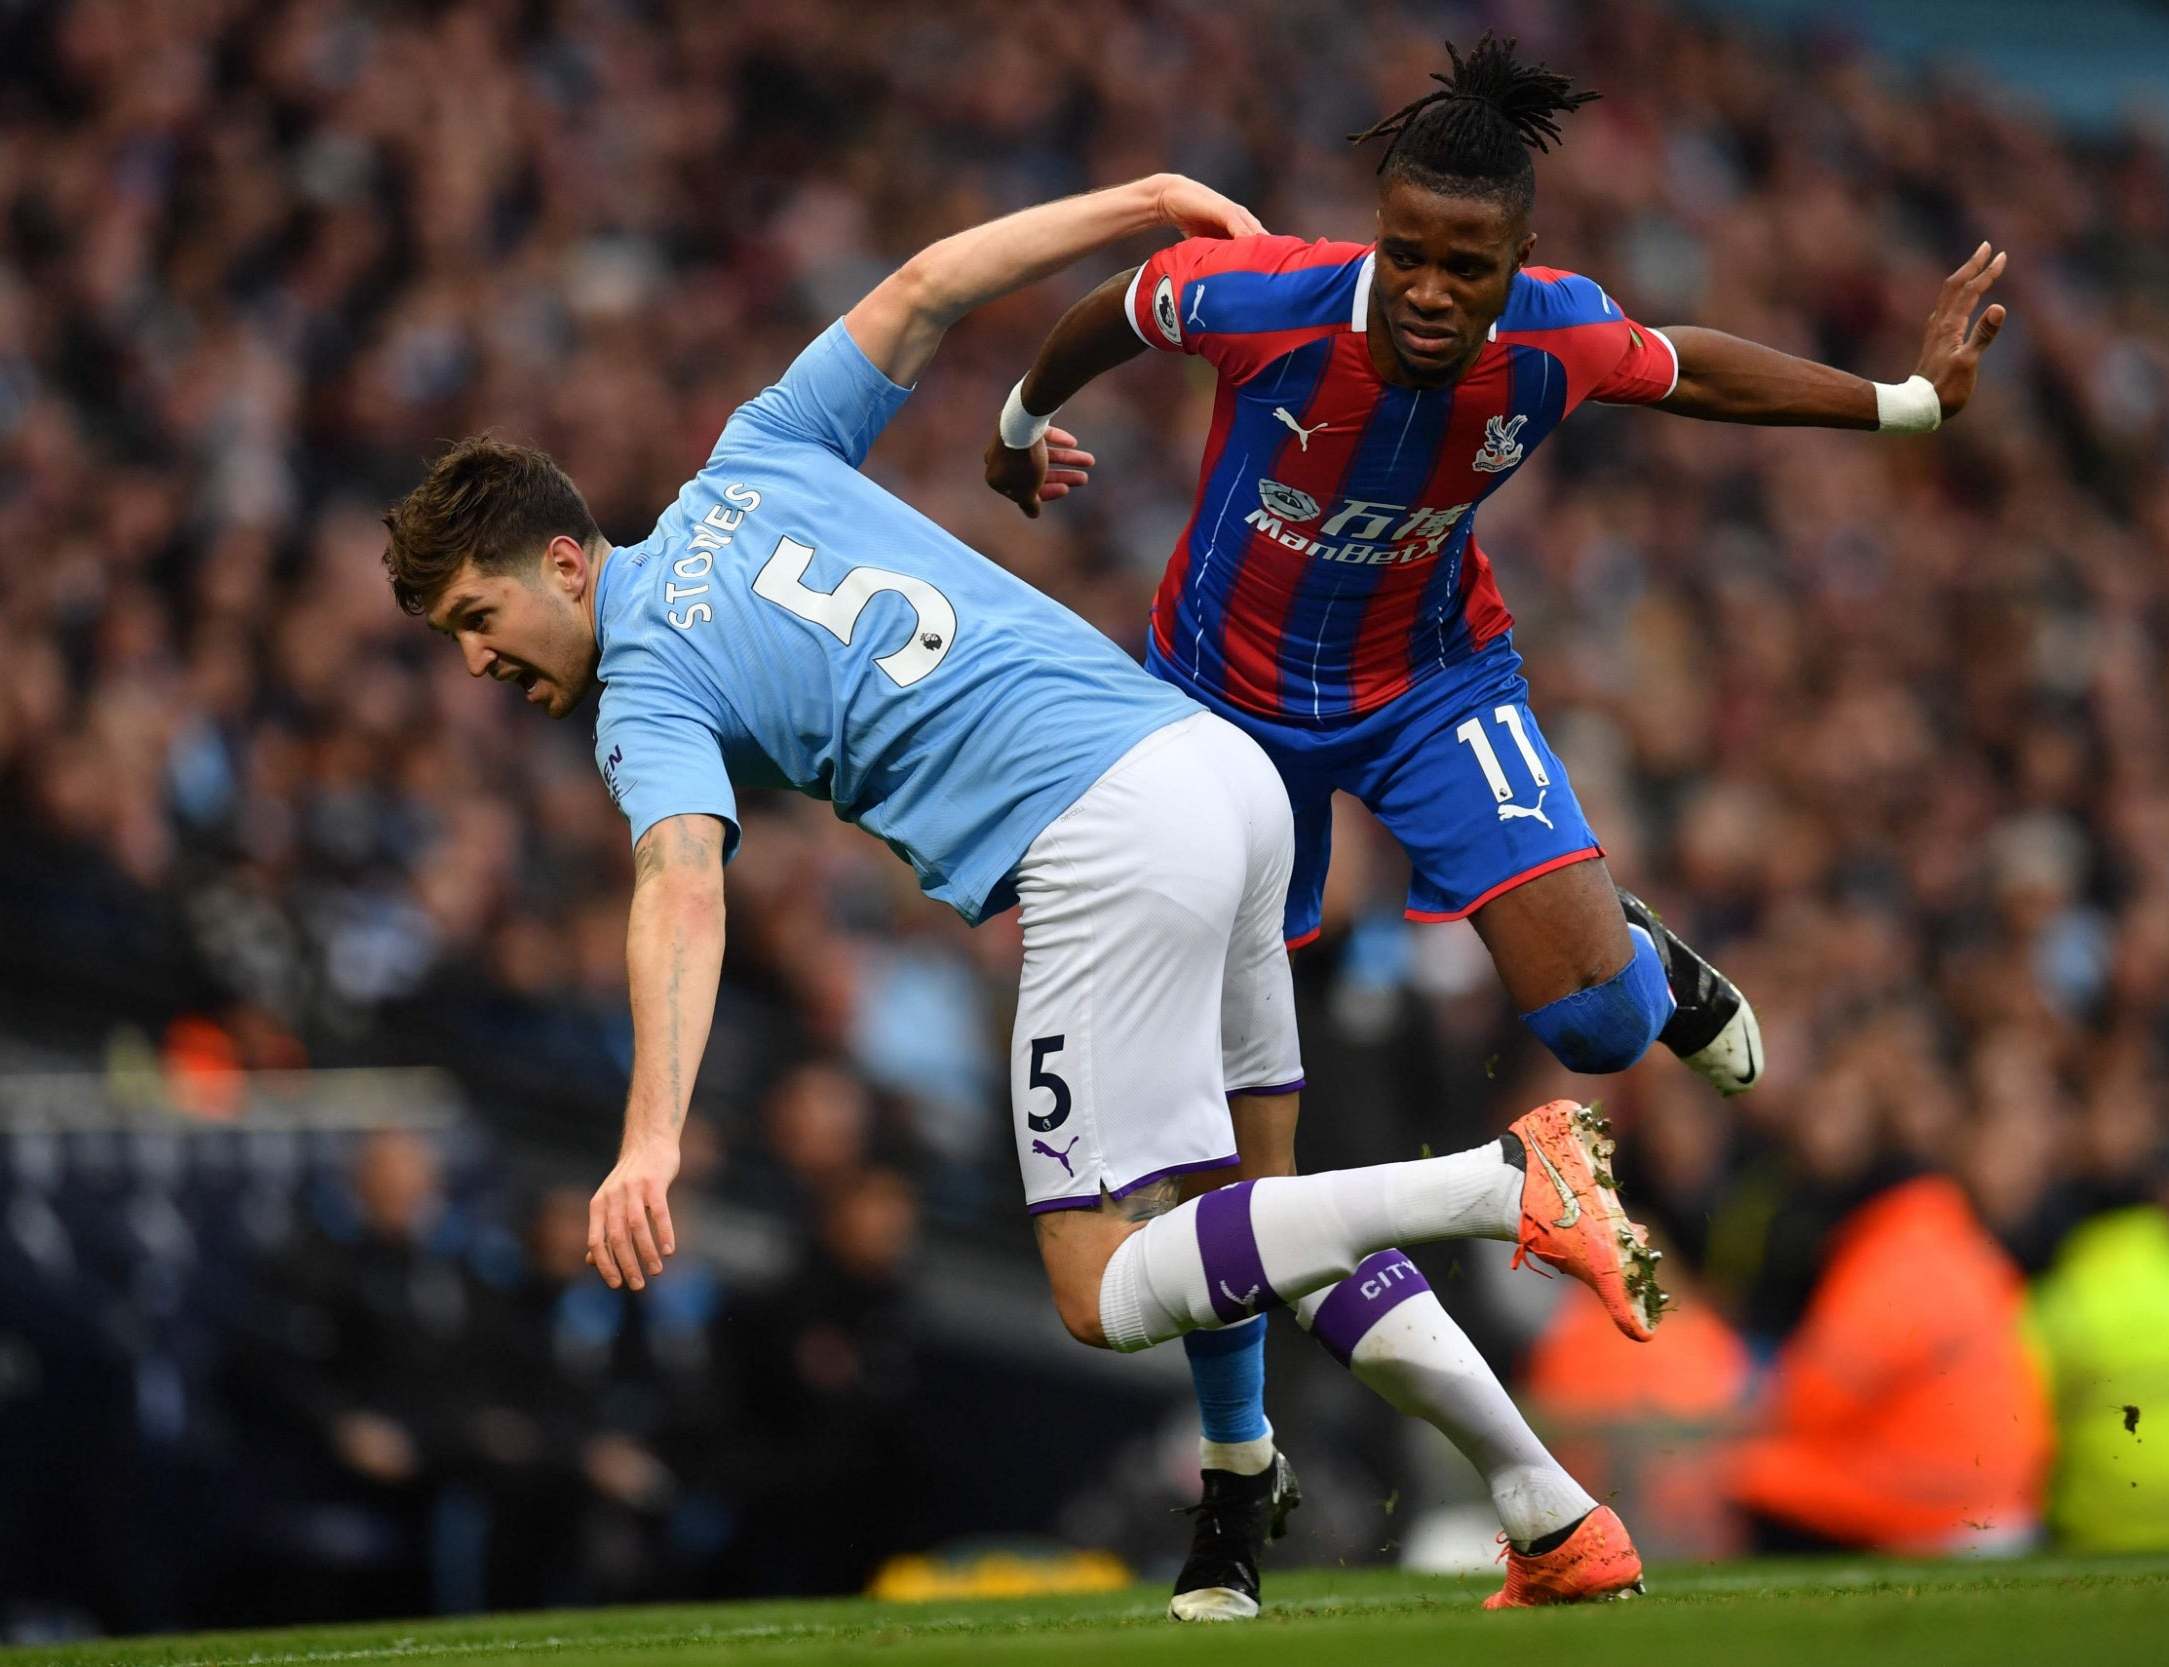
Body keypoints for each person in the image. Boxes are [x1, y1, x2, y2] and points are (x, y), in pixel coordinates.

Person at [379, 172, 1659, 1617]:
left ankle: (1499, 1182)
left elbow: (680, 886)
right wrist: (1142, 201)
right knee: (1260, 1210)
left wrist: (649, 1142)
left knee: (1099, 1289)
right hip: (1213, 769)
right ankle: (1526, 1508)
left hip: (1107, 843)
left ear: (564, 561)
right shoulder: (754, 449)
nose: (479, 664)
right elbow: (926, 286)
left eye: (480, 620)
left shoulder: (642, 685)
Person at [983, 34, 2006, 1609]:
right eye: (1407, 253)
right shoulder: (1260, 297)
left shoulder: (1559, 338)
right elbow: (1112, 309)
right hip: (1213, 737)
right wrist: (1009, 422)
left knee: (1595, 1030)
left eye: (1466, 264)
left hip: (1430, 684)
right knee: (1221, 1165)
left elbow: (1693, 365)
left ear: (1517, 261)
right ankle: (1232, 1492)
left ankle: (1646, 968)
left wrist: (1901, 404)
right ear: (1374, 233)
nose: (1429, 291)